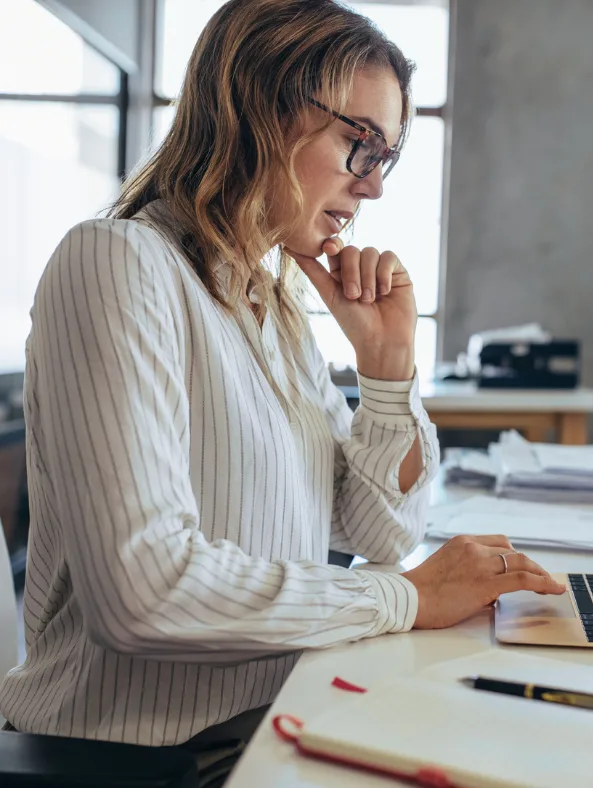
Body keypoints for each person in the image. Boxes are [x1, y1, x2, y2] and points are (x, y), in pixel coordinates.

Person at [0, 0, 564, 783]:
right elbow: (146, 592)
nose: (369, 190)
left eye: (384, 159)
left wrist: (389, 368)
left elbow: (379, 527)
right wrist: (402, 600)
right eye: (358, 146)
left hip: (271, 723)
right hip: (140, 759)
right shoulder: (119, 263)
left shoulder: (274, 308)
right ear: (259, 108)